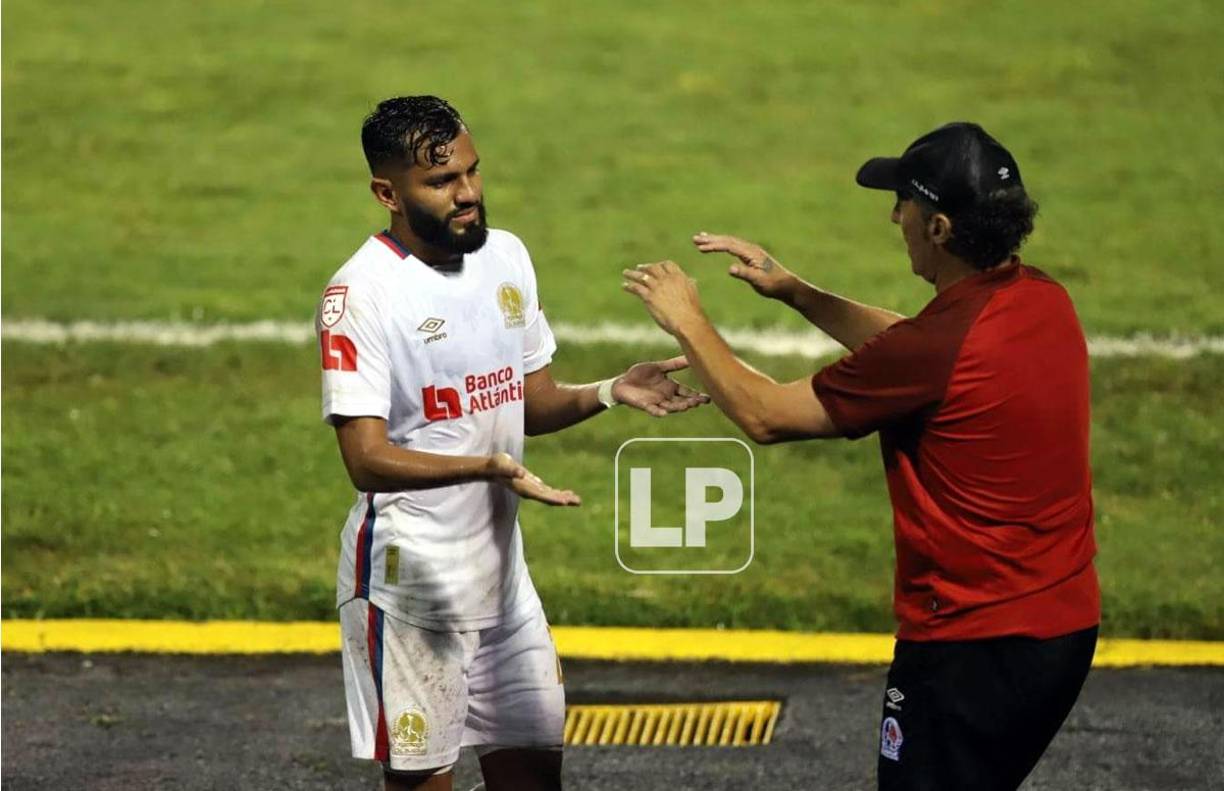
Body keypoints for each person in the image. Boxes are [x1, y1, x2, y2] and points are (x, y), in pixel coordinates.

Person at [623, 122, 1100, 791]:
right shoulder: (1042, 299)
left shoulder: (937, 349)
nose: (892, 214)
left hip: (973, 645)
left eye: (902, 200)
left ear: (937, 227)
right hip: (1063, 628)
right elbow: (922, 344)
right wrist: (796, 291)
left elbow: (764, 414)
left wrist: (688, 320)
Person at [318, 95, 707, 791]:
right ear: (387, 193)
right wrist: (486, 466)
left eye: (471, 172)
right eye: (441, 183)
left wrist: (614, 389)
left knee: (534, 776)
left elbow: (531, 400)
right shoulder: (361, 296)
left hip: (504, 586)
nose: (467, 194)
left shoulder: (506, 257)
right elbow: (364, 459)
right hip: (411, 591)